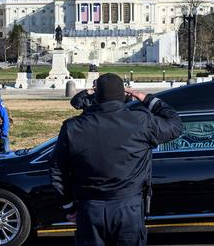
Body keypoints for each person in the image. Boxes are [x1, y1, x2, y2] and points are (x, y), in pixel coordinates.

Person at [50, 73, 183, 246]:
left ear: (97, 96)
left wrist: (68, 206)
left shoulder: (73, 126)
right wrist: (147, 98)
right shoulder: (141, 121)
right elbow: (175, 124)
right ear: (124, 94)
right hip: (128, 208)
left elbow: (57, 169)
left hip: (89, 208)